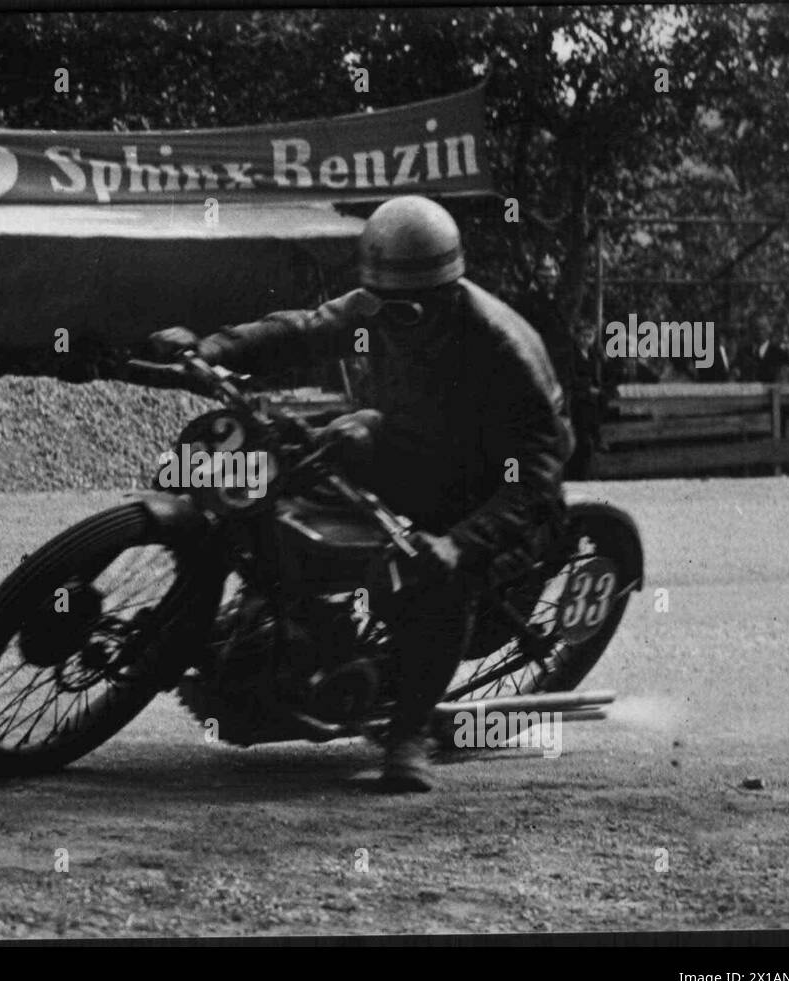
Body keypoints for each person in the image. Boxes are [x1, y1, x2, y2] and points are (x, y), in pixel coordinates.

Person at [148, 196, 572, 792]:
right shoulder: (381, 304)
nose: (394, 320)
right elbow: (303, 329)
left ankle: (409, 731)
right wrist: (211, 349)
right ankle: (268, 614)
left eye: (411, 311)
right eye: (384, 305)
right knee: (291, 464)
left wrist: (459, 542)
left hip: (497, 488)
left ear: (450, 292)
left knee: (435, 578)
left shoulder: (505, 352)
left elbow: (534, 476)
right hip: (415, 444)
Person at [513, 253, 600, 478]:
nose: (549, 275)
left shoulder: (560, 301)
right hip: (540, 371)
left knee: (564, 422)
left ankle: (565, 471)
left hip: (562, 374)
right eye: (544, 271)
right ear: (536, 274)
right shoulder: (528, 302)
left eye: (552, 271)